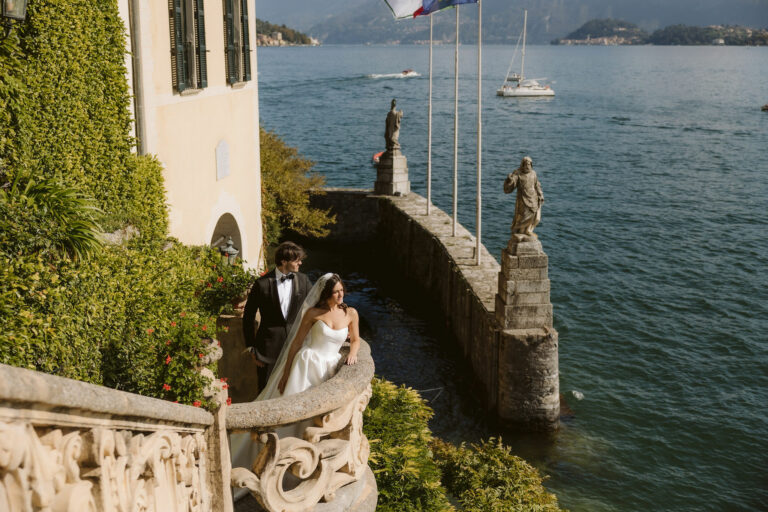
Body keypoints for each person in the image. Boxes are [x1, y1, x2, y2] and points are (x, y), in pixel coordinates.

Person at [257, 273, 360, 400]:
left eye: (341, 290)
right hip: (307, 364)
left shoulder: (351, 313)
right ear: (326, 293)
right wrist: (286, 372)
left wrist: (353, 353)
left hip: (332, 364)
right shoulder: (312, 313)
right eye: (336, 292)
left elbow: (355, 340)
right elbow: (297, 342)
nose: (341, 295)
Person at [242, 241, 313, 392]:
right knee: (266, 390)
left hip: (296, 347)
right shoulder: (262, 284)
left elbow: (317, 306)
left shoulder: (303, 280)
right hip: (267, 351)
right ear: (284, 261)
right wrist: (251, 348)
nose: (300, 263)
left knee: (292, 390)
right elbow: (248, 316)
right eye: (296, 260)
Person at [503, 156, 545, 236]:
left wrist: (540, 195)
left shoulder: (533, 173)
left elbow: (537, 185)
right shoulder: (518, 173)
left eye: (529, 164)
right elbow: (511, 184)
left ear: (531, 165)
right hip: (523, 199)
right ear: (522, 164)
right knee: (522, 218)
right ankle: (520, 232)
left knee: (535, 217)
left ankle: (528, 230)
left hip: (534, 198)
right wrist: (509, 180)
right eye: (525, 164)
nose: (527, 166)